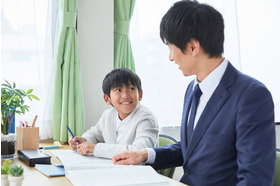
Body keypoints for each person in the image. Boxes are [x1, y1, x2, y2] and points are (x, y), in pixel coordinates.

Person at [112, 1, 276, 185]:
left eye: (171, 48)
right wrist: (144, 154)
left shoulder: (251, 96)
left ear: (192, 47)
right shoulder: (193, 89)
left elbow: (255, 180)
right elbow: (192, 148)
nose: (171, 57)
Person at [69, 68, 159, 159]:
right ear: (107, 99)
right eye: (118, 90)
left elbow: (139, 151)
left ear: (140, 94)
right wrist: (83, 140)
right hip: (115, 169)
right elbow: (94, 134)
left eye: (131, 89)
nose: (125, 95)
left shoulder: (146, 119)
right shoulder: (108, 115)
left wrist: (95, 148)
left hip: (140, 172)